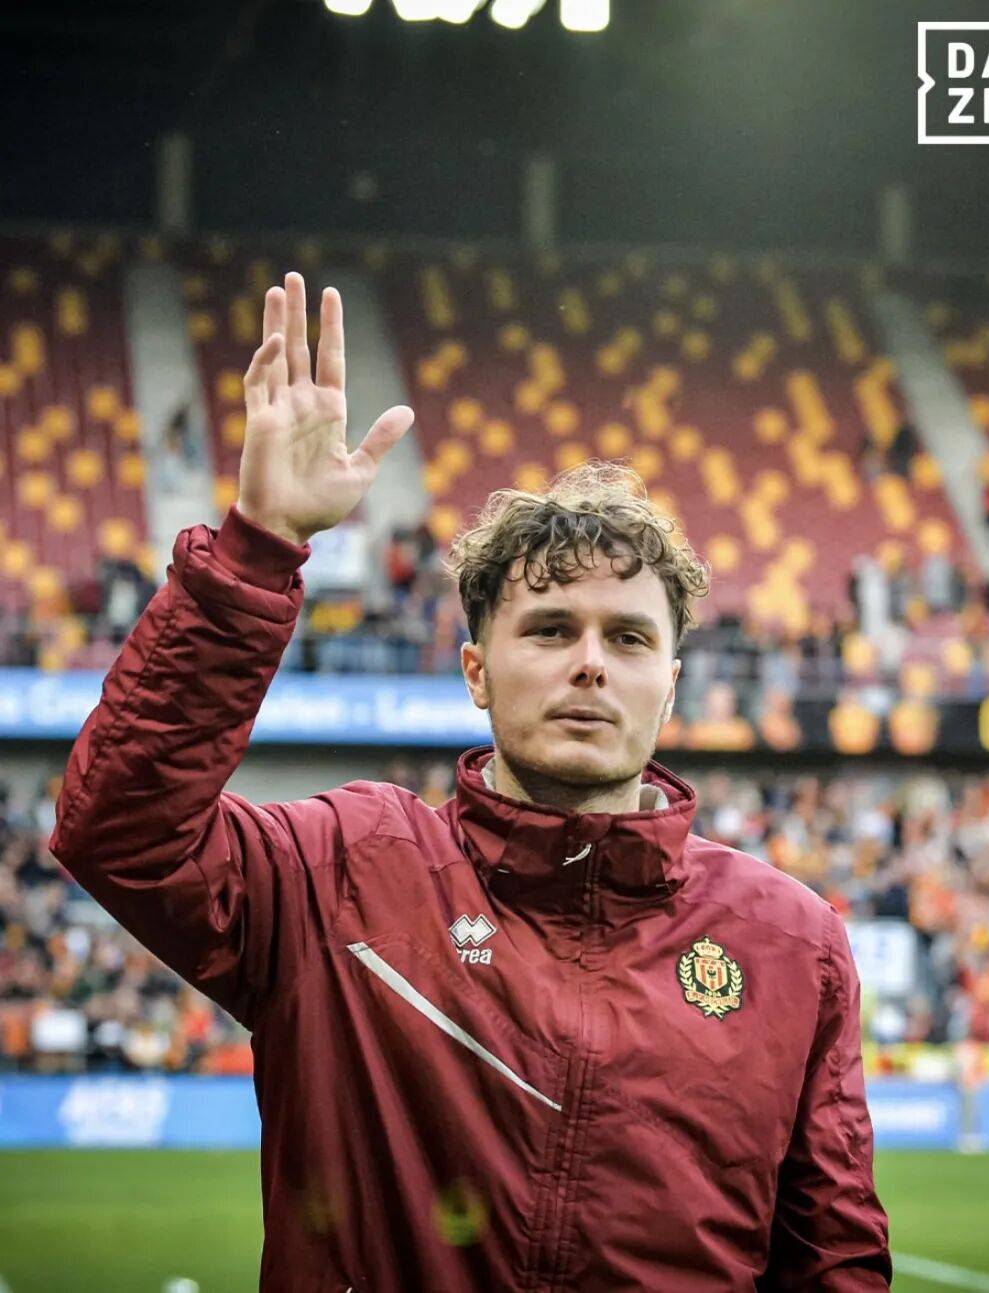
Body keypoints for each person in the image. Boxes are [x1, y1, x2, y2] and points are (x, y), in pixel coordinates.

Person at [50, 272, 891, 1290]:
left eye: (628, 639)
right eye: (550, 630)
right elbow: (119, 831)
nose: (590, 664)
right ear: (476, 671)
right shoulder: (342, 873)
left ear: (670, 686)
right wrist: (256, 552)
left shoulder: (790, 941)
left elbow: (836, 1259)